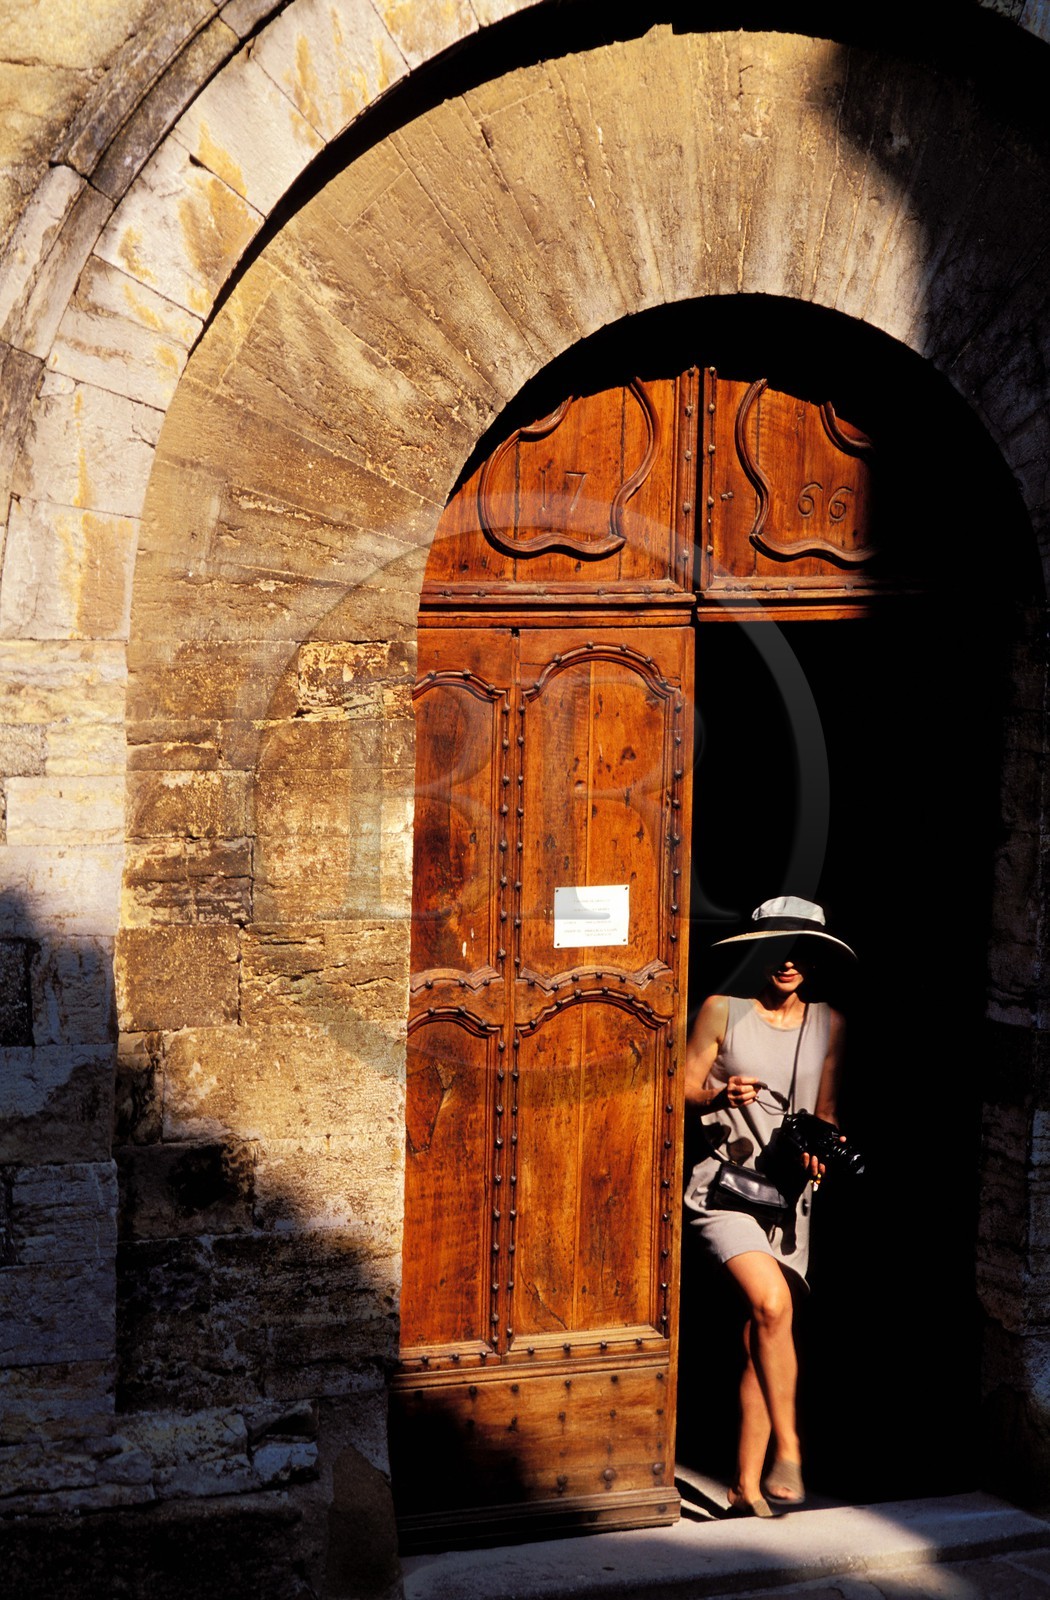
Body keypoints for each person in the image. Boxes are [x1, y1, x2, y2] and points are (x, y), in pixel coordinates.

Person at [683, 895, 855, 1517]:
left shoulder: (829, 1022)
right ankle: (792, 1446)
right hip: (725, 1187)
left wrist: (822, 1153)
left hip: (789, 1200)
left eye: (801, 951)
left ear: (815, 959)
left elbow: (828, 1112)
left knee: (766, 1330)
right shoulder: (722, 1011)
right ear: (757, 952)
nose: (788, 962)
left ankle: (744, 1484)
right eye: (777, 948)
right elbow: (678, 1085)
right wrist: (716, 1093)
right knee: (772, 1303)